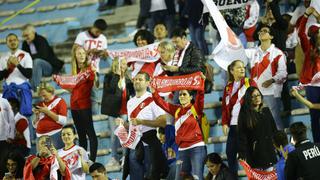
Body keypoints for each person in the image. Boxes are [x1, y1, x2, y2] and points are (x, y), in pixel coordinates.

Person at [152, 74, 207, 180]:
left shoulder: (195, 108)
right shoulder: (176, 110)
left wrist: (201, 84)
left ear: (191, 97)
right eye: (180, 94)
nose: (181, 96)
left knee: (197, 177)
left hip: (196, 147)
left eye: (184, 94)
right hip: (182, 149)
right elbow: (161, 103)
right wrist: (154, 92)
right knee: (178, 178)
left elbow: (200, 97)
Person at [121, 72, 168, 180]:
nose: (137, 81)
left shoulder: (154, 99)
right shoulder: (130, 102)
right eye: (135, 79)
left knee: (151, 176)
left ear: (147, 83)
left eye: (140, 79)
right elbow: (133, 125)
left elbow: (163, 122)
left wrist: (142, 121)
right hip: (135, 144)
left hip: (149, 144)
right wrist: (124, 125)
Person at [247, 25, 287, 130]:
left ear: (271, 36)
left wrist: (272, 80)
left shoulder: (278, 53)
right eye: (260, 31)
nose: (261, 32)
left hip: (271, 93)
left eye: (265, 31)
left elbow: (283, 73)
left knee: (275, 121)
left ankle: (282, 146)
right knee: (258, 124)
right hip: (255, 93)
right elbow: (238, 52)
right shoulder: (253, 52)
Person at [221, 60, 256, 175]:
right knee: (230, 154)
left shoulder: (249, 82)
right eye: (239, 67)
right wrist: (225, 123)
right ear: (232, 71)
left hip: (246, 124)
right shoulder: (228, 87)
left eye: (243, 67)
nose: (242, 69)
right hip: (233, 126)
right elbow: (224, 107)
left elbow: (257, 101)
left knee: (249, 157)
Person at [101, 57, 134, 169]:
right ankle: (113, 158)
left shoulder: (128, 77)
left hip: (125, 110)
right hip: (114, 111)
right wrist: (117, 75)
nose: (124, 66)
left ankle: (125, 157)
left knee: (124, 134)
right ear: (116, 64)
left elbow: (133, 93)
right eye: (122, 64)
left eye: (125, 64)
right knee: (115, 135)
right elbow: (109, 89)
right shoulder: (109, 76)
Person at [72, 19, 108, 115]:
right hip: (81, 69)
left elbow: (105, 56)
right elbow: (74, 51)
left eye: (100, 32)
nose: (98, 33)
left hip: (95, 69)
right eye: (97, 31)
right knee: (81, 96)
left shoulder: (103, 38)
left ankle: (94, 116)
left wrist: (100, 52)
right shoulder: (82, 36)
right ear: (93, 26)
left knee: (95, 95)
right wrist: (87, 52)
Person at [237, 86, 277, 170]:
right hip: (255, 155)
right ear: (249, 98)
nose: (257, 98)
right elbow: (242, 136)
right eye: (253, 96)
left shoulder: (266, 111)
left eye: (258, 95)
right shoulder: (244, 115)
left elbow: (274, 129)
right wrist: (242, 153)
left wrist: (278, 145)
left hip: (269, 152)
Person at [69, 46, 97, 162]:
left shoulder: (90, 68)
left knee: (90, 133)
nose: (81, 55)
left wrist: (95, 74)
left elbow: (97, 83)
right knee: (80, 134)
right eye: (78, 53)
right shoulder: (73, 70)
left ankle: (92, 160)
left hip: (84, 105)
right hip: (74, 105)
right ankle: (83, 160)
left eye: (83, 53)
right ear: (75, 56)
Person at [297, 7, 320, 143]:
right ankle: (318, 144)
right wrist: (306, 15)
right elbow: (300, 33)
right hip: (312, 86)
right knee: (315, 116)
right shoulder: (308, 48)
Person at [21, 24, 64, 91]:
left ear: (33, 32)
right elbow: (24, 58)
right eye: (24, 36)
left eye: (27, 35)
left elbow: (43, 56)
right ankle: (25, 88)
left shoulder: (41, 40)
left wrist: (29, 58)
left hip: (49, 67)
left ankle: (34, 88)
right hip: (35, 69)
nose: (26, 38)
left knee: (37, 61)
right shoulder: (25, 44)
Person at [0, 33, 32, 117]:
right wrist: (7, 68)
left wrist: (17, 64)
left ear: (18, 41)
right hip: (8, 89)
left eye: (14, 40)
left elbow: (29, 74)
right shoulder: (3, 58)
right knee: (8, 118)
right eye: (10, 41)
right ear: (6, 43)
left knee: (25, 116)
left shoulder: (26, 55)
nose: (12, 42)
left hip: (22, 89)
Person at [32, 83, 67, 149]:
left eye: (44, 95)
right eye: (41, 96)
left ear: (51, 92)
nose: (43, 98)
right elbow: (35, 125)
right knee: (42, 158)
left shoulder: (60, 101)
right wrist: (37, 116)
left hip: (53, 135)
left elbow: (63, 121)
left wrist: (48, 112)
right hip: (40, 137)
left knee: (54, 157)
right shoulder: (40, 104)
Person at [0, 97, 15, 178]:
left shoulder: (4, 101)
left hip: (4, 138)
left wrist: (11, 135)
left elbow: (11, 119)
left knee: (3, 162)